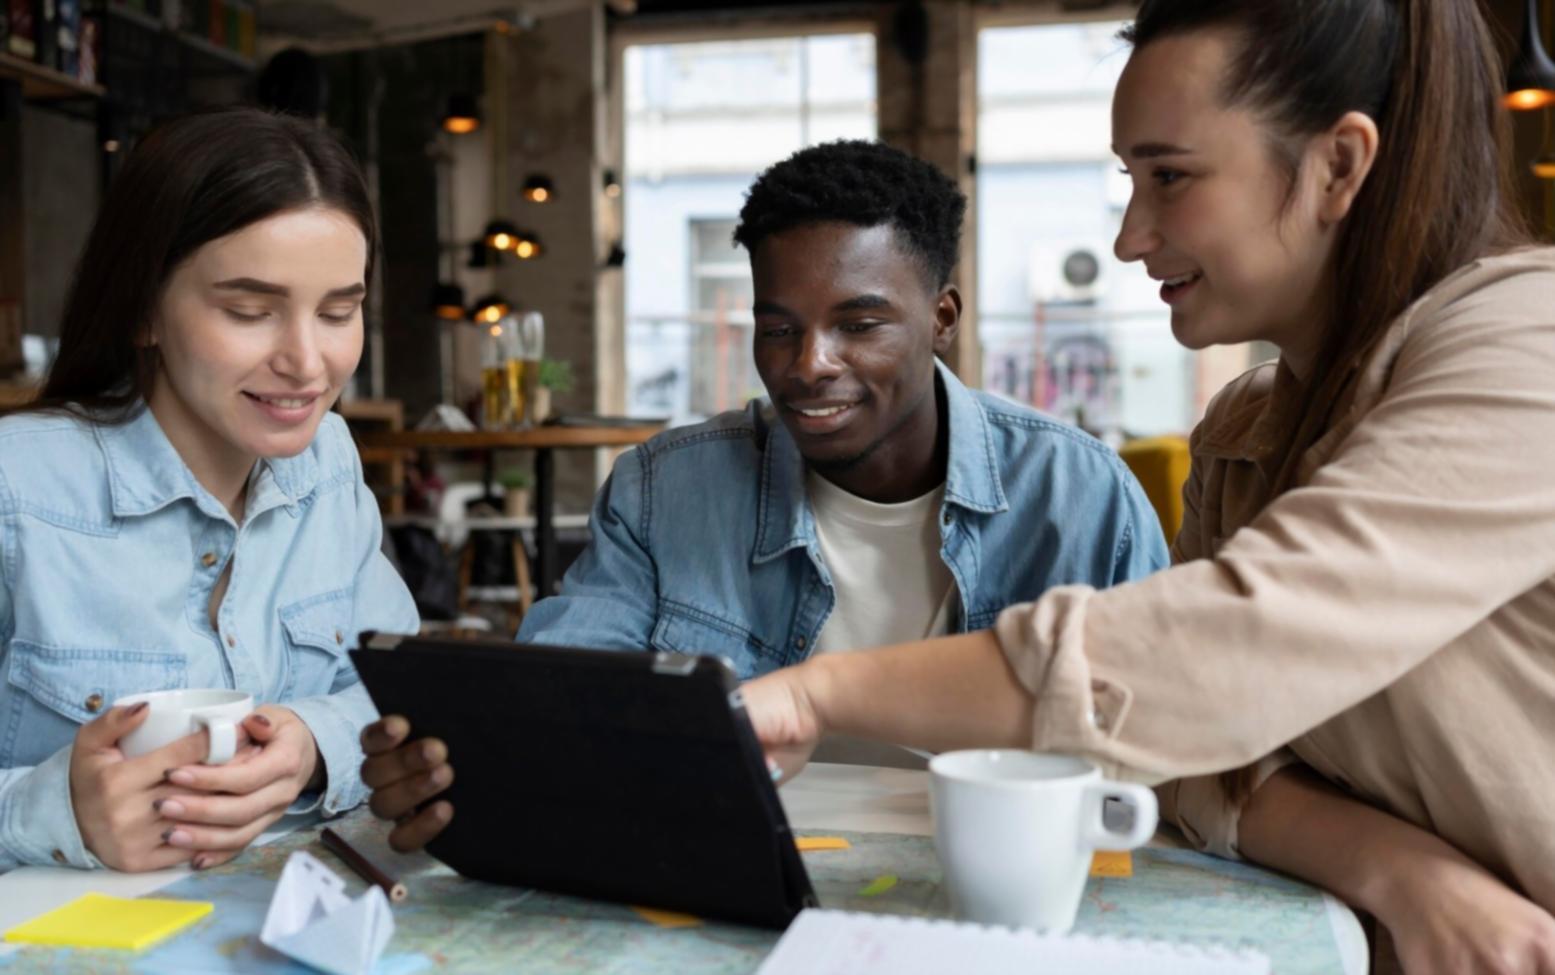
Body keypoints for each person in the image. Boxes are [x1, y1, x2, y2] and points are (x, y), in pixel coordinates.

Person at [737, 2, 1555, 973]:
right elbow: (1192, 762)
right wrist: (1398, 868)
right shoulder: (1245, 428)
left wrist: (819, 693)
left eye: (1169, 176)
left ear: (1338, 165)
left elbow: (1216, 653)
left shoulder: (1526, 338)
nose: (1129, 238)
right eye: (1130, 181)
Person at [360, 140, 1167, 849]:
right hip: (735, 856)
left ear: (942, 317)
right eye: (778, 329)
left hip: (995, 865)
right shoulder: (663, 490)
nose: (808, 363)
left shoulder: (1077, 494)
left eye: (859, 324)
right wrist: (463, 761)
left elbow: (1159, 745)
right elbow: (565, 694)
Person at [0, 108, 418, 874]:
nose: (307, 362)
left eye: (338, 311)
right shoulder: (17, 488)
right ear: (142, 310)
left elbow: (405, 694)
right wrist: (54, 810)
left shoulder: (328, 464)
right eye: (249, 311)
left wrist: (312, 746)